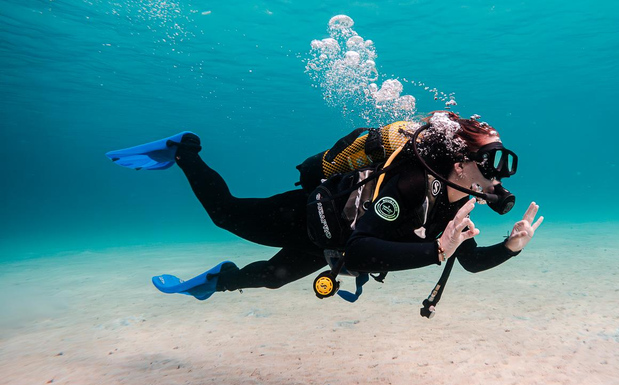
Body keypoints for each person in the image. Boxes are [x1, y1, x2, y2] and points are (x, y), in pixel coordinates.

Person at [106, 111, 543, 305]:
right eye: (491, 161)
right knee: (225, 213)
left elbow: (468, 263)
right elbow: (361, 252)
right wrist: (435, 251)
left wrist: (511, 247)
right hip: (311, 215)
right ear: (461, 163)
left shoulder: (457, 202)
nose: (499, 176)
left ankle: (217, 281)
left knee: (274, 279)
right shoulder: (407, 184)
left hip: (328, 243)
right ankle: (184, 151)